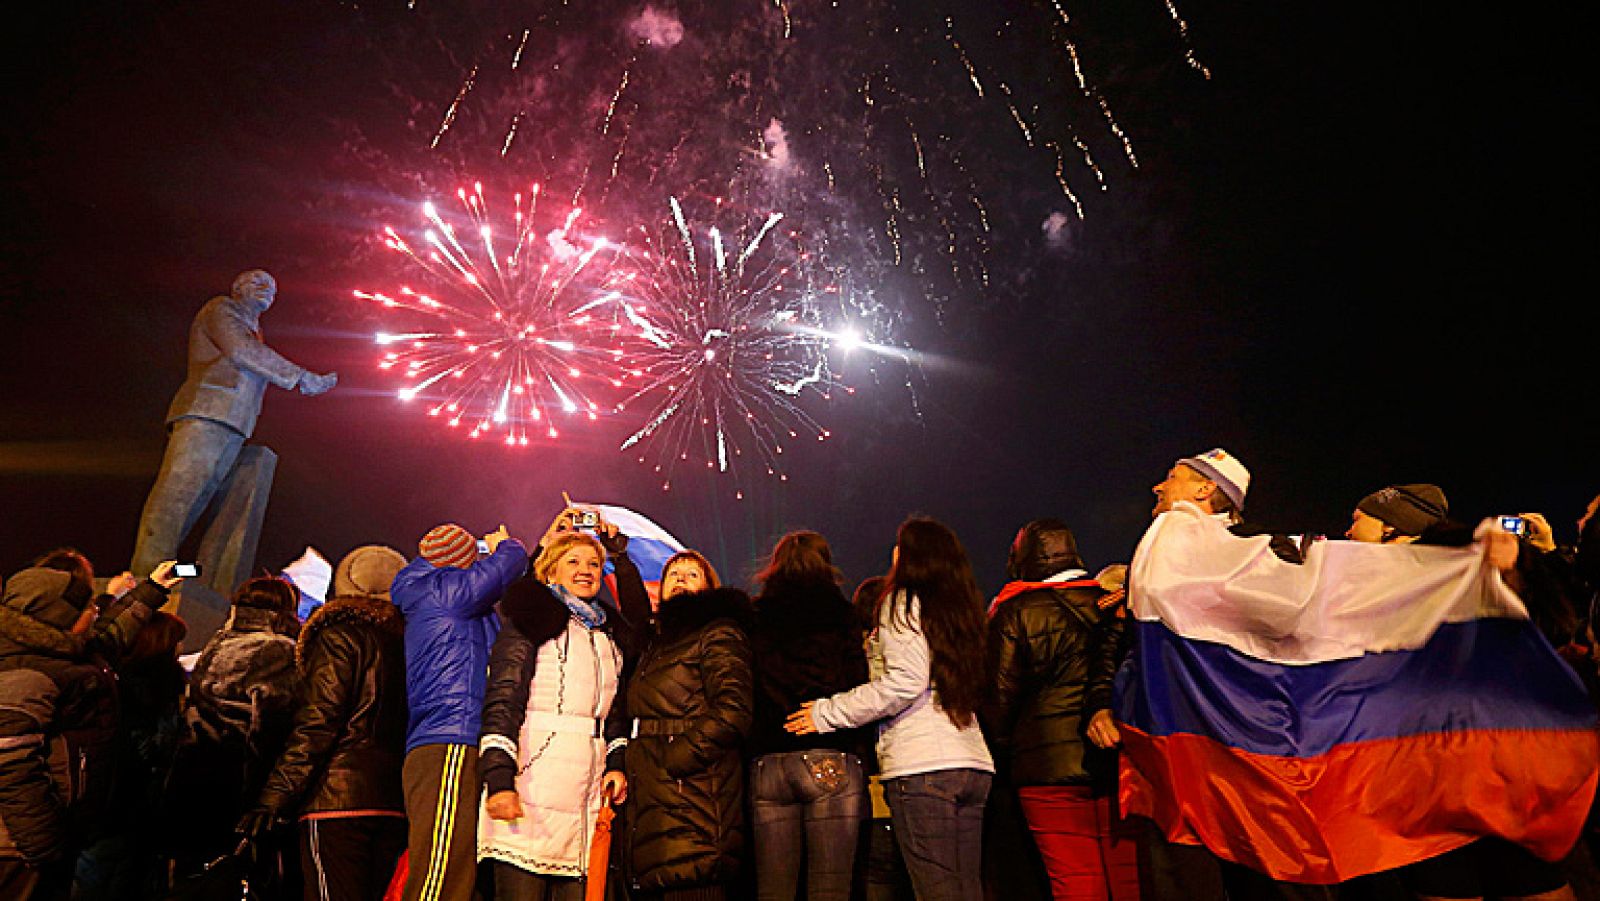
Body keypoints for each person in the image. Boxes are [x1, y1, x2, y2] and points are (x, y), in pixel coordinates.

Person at [788, 517, 994, 901]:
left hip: (923, 765)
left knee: (938, 891)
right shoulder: (961, 614)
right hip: (972, 763)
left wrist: (826, 712)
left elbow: (903, 683)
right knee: (968, 889)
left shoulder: (901, 603)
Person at [478, 515, 649, 900]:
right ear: (550, 568)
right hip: (531, 786)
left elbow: (617, 712)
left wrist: (616, 765)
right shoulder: (532, 621)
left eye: (592, 563)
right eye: (573, 561)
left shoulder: (608, 634)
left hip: (585, 798)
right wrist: (499, 780)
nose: (585, 571)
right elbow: (504, 699)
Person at [132, 269, 338, 576]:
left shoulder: (255, 331)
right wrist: (301, 377)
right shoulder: (222, 309)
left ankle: (170, 574)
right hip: (206, 413)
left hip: (235, 422)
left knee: (199, 499)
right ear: (237, 288)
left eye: (272, 287)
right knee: (177, 495)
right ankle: (144, 575)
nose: (266, 288)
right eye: (257, 281)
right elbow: (242, 351)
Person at [0, 559, 181, 900]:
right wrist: (44, 842)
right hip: (16, 849)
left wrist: (152, 590)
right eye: (87, 608)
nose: (95, 612)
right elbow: (10, 763)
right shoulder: (25, 673)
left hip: (50, 839)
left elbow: (111, 635)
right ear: (60, 617)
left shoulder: (65, 653)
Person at [240, 544, 411, 901]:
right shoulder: (413, 641)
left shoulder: (338, 635)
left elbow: (318, 723)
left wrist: (275, 796)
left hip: (336, 800)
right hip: (394, 801)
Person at [985, 519, 1136, 901]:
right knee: (1129, 880)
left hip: (1045, 765)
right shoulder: (1115, 601)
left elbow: (1000, 699)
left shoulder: (1013, 610)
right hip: (1117, 758)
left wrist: (1010, 753)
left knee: (1076, 880)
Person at [390, 521, 528, 901]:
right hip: (451, 738)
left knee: (458, 870)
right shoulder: (446, 593)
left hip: (445, 740)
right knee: (441, 872)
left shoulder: (425, 591)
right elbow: (504, 567)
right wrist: (509, 545)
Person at [623, 548, 755, 901]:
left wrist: (675, 760)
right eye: (673, 575)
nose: (680, 579)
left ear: (709, 587)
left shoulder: (717, 633)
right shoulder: (656, 644)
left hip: (693, 798)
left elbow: (733, 709)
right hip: (654, 800)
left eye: (691, 574)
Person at [747, 532, 869, 901]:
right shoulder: (842, 615)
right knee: (830, 890)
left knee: (774, 889)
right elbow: (857, 681)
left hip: (768, 759)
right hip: (829, 753)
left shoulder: (754, 616)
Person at [166, 576, 302, 878]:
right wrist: (267, 796)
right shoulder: (279, 650)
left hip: (190, 772)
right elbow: (267, 726)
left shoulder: (218, 642)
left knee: (189, 877)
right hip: (233, 778)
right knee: (228, 877)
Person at [72, 610, 189, 900]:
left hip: (106, 803)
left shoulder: (114, 676)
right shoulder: (157, 686)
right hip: (127, 804)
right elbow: (151, 744)